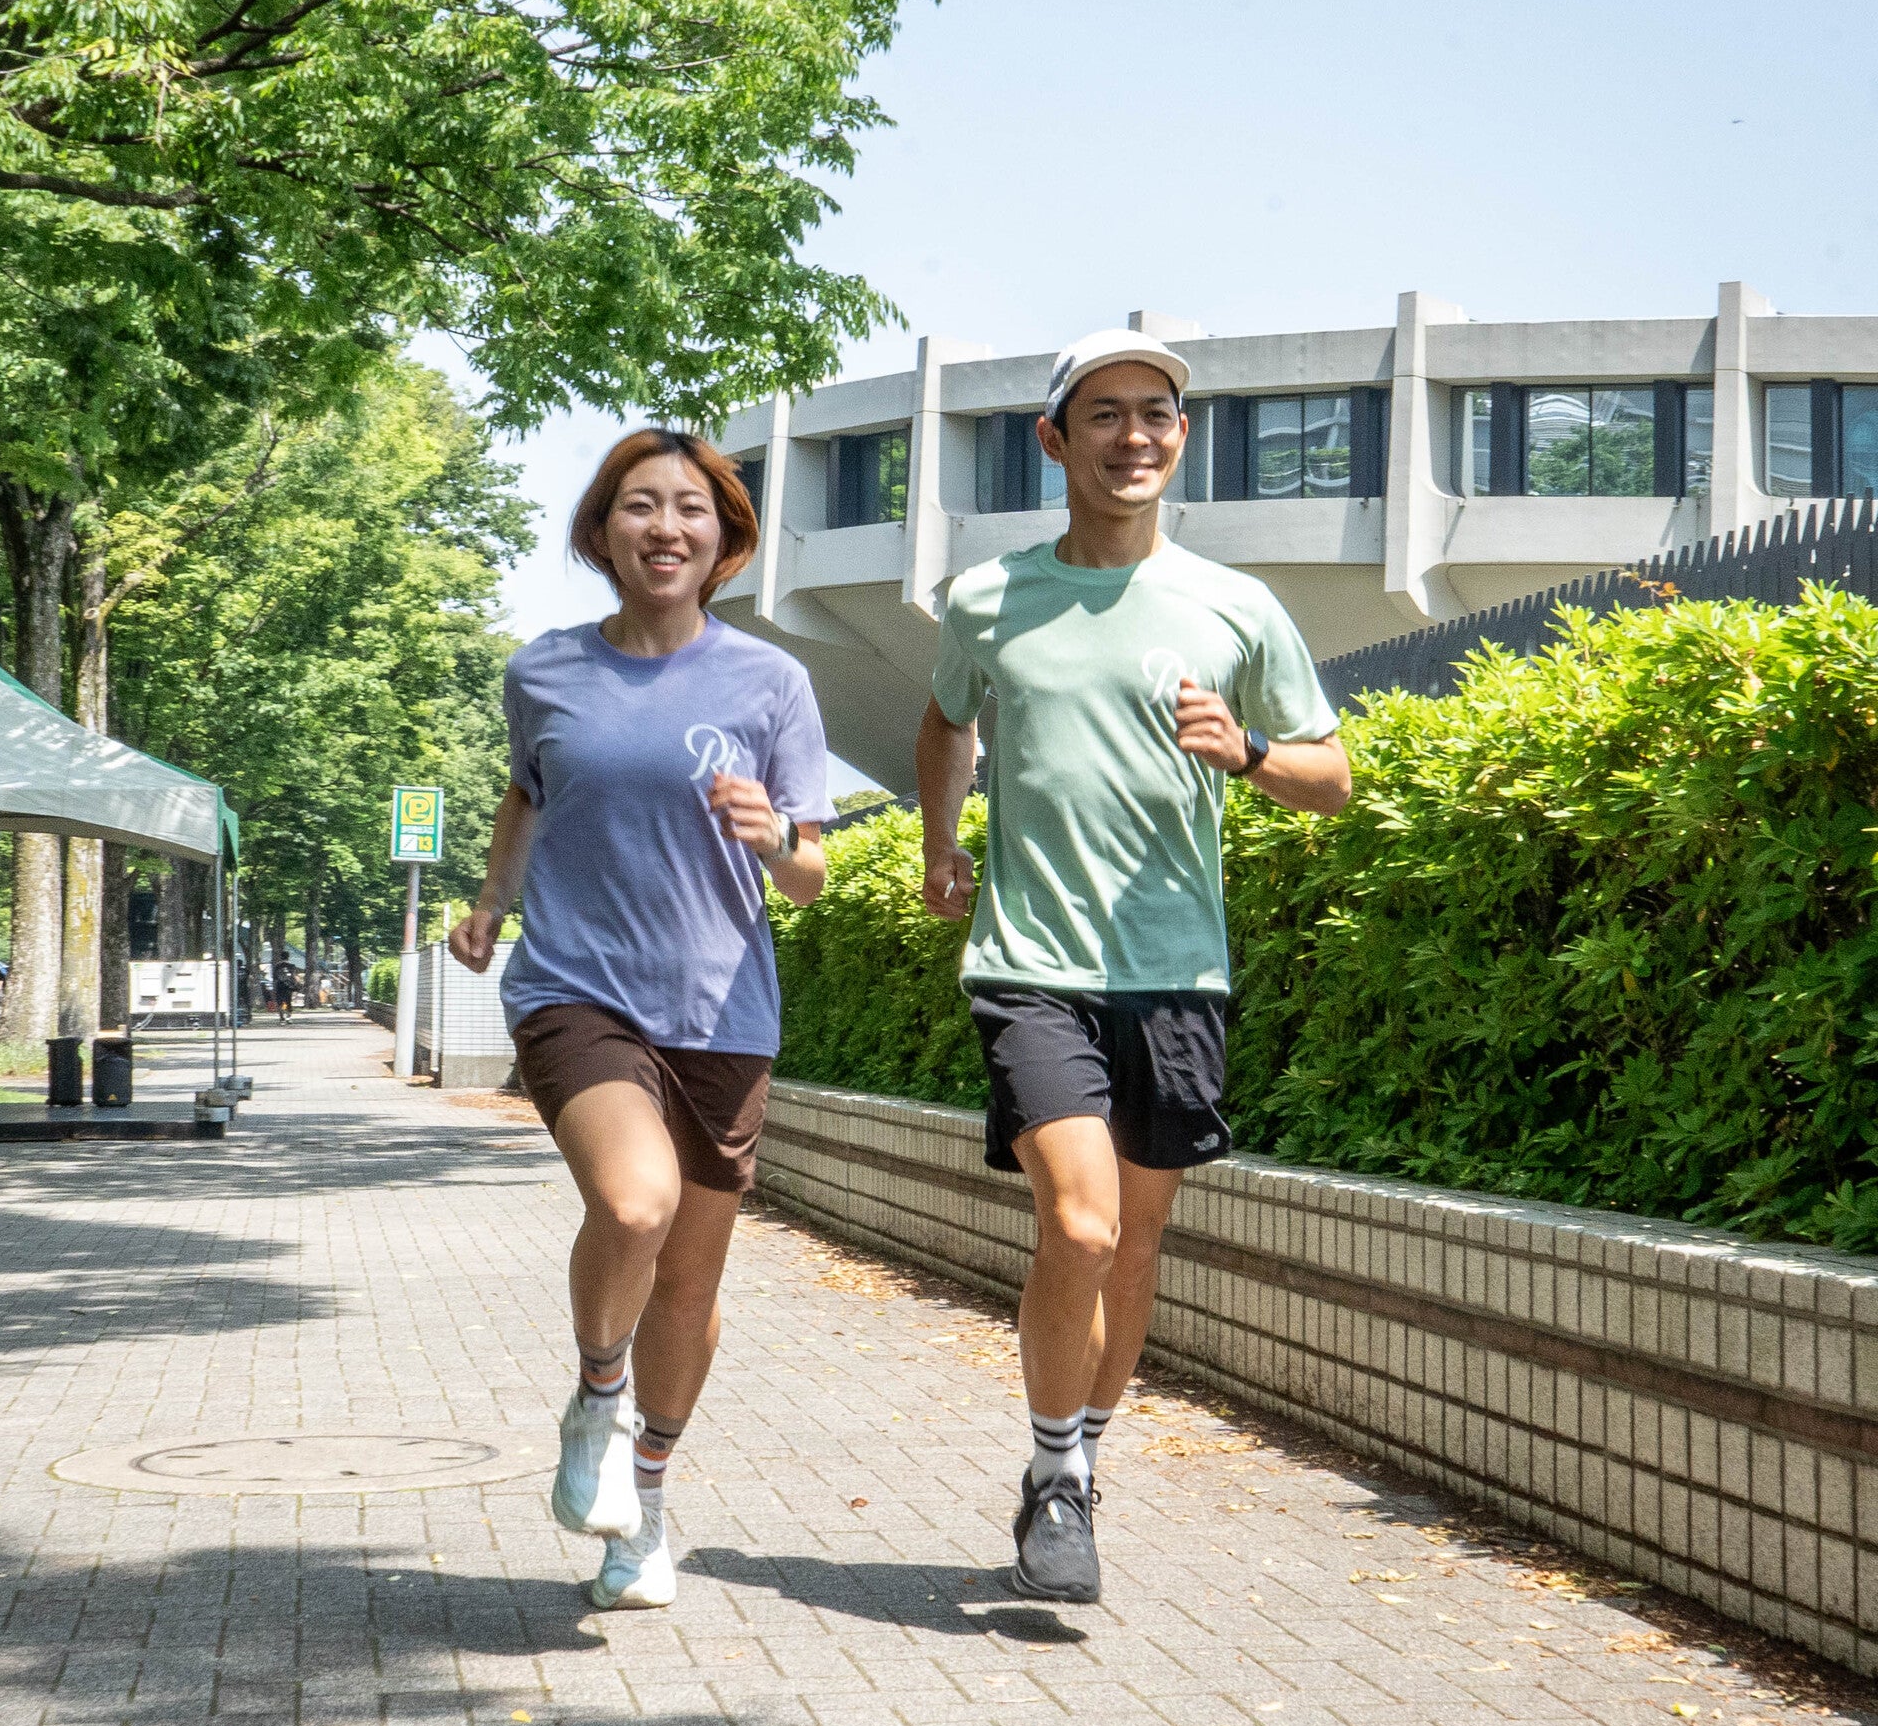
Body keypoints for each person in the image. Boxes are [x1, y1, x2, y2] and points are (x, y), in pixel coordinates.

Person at [916, 328, 1352, 1604]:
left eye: (1156, 413)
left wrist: (1250, 752)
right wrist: (943, 842)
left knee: (1138, 1242)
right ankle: (1055, 1475)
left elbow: (1332, 777)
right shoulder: (989, 598)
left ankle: (1082, 1465)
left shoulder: (1235, 606)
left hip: (1178, 971)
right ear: (1055, 440)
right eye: (1103, 414)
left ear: (1179, 438)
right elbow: (947, 717)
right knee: (1081, 1223)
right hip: (1032, 959)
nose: (1135, 436)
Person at [448, 428, 829, 1611]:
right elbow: (528, 789)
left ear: (725, 537)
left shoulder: (773, 684)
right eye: (639, 506)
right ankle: (596, 1399)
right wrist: (490, 903)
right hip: (577, 988)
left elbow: (810, 873)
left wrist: (778, 842)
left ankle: (644, 1504)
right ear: (601, 530)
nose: (666, 527)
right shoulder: (544, 672)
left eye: (692, 509)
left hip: (723, 1011)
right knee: (634, 1202)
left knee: (691, 1291)